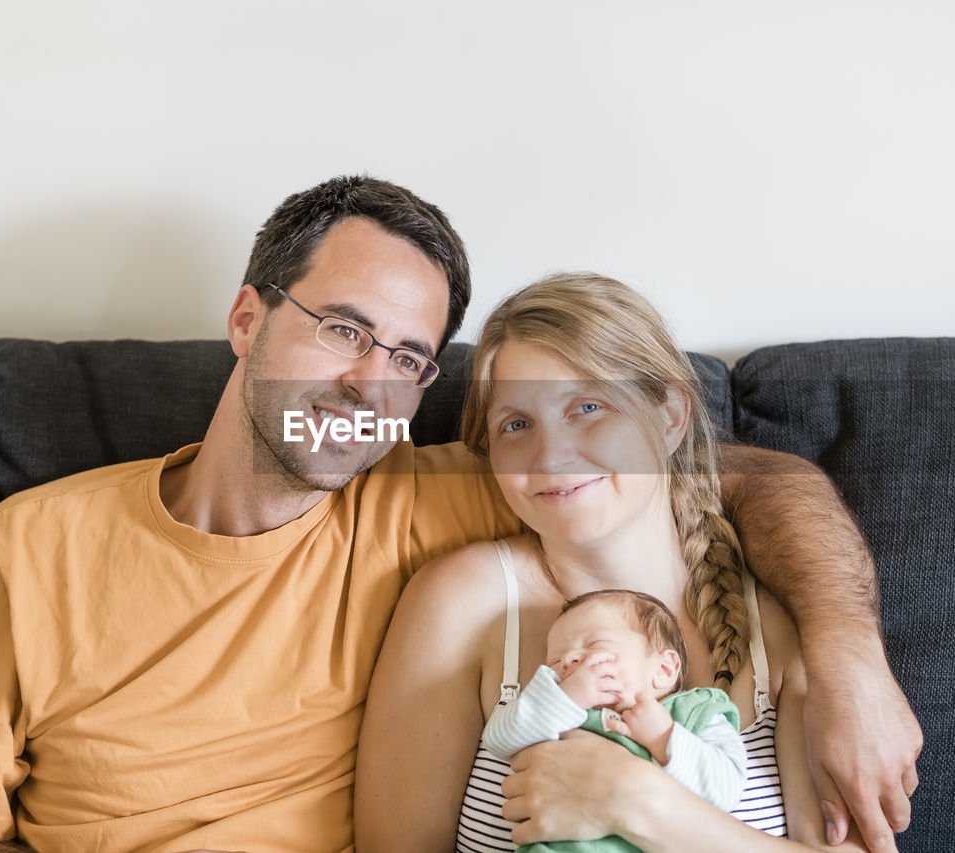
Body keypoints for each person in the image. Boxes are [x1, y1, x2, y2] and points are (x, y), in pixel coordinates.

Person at [0, 177, 918, 853]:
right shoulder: (34, 542)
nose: (370, 385)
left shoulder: (445, 496)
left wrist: (851, 658)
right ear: (245, 316)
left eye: (408, 358)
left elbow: (736, 478)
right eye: (343, 330)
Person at [355, 272, 917, 852]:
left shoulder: (780, 623)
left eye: (588, 406)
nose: (552, 456)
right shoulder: (464, 603)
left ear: (670, 417)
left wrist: (636, 803)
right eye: (516, 424)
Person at [483, 588, 747, 847]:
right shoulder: (557, 712)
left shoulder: (693, 712)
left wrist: (665, 738)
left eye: (595, 645)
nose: (568, 661)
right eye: (555, 661)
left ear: (664, 669)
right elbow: (497, 739)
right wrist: (563, 698)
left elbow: (727, 789)